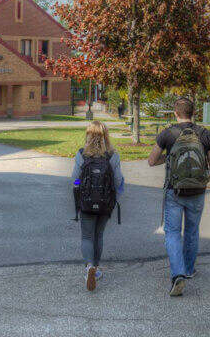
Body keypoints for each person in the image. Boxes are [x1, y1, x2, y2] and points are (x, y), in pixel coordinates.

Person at [147, 97, 210, 297]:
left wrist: (168, 158)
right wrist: (203, 180)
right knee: (192, 231)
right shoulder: (205, 135)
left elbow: (151, 161)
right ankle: (188, 270)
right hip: (197, 191)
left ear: (175, 113)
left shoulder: (167, 134)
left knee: (172, 232)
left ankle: (177, 274)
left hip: (174, 190)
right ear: (193, 112)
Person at [71, 120, 123, 291]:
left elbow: (75, 179)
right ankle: (97, 268)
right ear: (106, 136)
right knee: (98, 235)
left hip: (86, 202)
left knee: (87, 236)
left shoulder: (81, 155)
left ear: (88, 135)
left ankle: (89, 267)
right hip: (105, 202)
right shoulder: (112, 156)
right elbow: (117, 181)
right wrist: (114, 197)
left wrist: (80, 188)